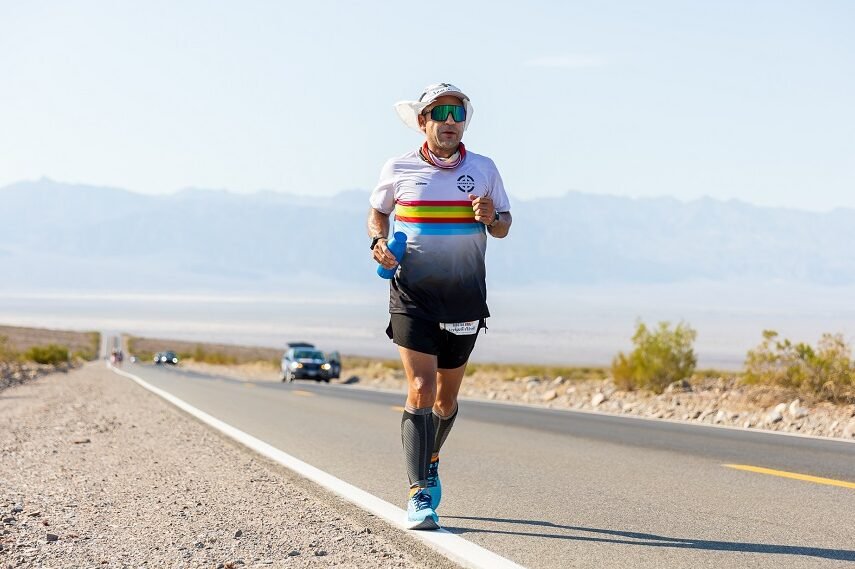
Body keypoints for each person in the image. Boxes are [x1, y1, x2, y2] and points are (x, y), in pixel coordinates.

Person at [367, 83, 512, 529]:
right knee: (420, 391)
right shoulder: (399, 168)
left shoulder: (485, 169)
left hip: (464, 298)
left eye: (458, 113)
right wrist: (377, 241)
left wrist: (491, 217)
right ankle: (420, 493)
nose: (451, 120)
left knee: (445, 403)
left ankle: (430, 457)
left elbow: (505, 227)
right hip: (411, 296)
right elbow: (378, 212)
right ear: (423, 121)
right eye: (441, 112)